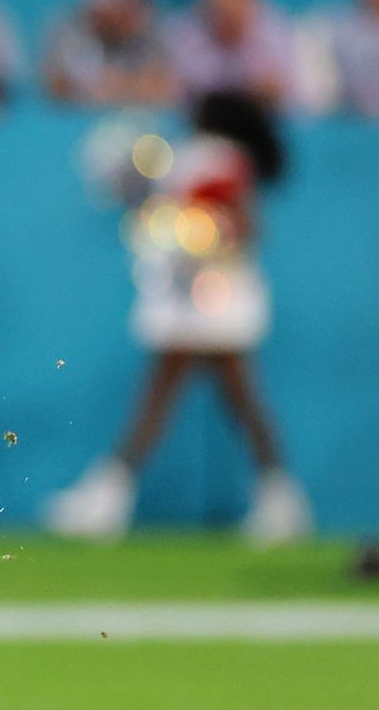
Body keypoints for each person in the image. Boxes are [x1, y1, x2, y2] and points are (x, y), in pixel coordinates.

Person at [45, 90, 310, 545]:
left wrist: (194, 235)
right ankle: (280, 500)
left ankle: (108, 498)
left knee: (184, 398)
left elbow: (237, 226)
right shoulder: (203, 158)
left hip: (211, 297)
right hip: (199, 297)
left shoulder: (213, 158)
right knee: (227, 400)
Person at [43, 0, 175, 108]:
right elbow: (56, 88)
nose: (130, 6)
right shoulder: (66, 29)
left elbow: (165, 89)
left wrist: (116, 84)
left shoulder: (148, 27)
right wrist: (129, 84)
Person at [166, 0, 298, 106]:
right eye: (221, 11)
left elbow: (280, 92)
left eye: (235, 12)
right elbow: (172, 90)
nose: (228, 19)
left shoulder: (273, 30)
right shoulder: (181, 34)